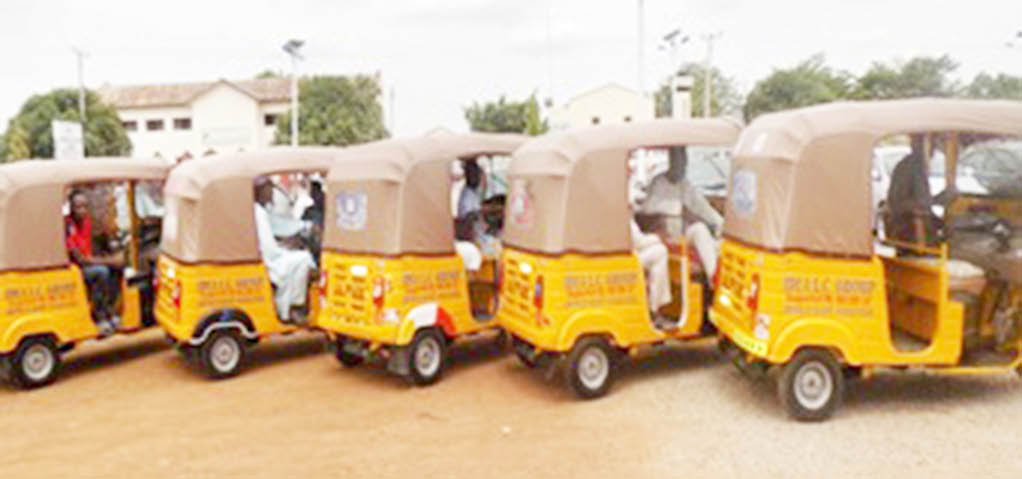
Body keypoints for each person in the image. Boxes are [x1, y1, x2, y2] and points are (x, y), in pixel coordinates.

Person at [637, 146, 723, 278]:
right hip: (666, 236)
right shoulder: (658, 182)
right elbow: (646, 211)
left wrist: (720, 224)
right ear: (671, 161)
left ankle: (714, 277)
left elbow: (703, 208)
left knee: (700, 229)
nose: (681, 164)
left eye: (683, 161)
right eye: (678, 160)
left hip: (683, 234)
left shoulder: (684, 184)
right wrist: (674, 209)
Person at [253, 178, 318, 324]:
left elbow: (279, 226)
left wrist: (303, 227)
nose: (271, 195)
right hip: (270, 259)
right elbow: (271, 246)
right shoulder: (259, 212)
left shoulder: (260, 210)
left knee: (298, 256)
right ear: (261, 192)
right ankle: (295, 305)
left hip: (269, 254)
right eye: (269, 191)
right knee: (304, 258)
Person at [66, 189, 124, 335]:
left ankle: (111, 311)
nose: (82, 210)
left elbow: (90, 249)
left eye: (85, 206)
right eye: (78, 207)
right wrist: (108, 260)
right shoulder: (68, 225)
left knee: (117, 270)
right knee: (101, 272)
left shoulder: (86, 222)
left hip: (87, 262)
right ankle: (99, 317)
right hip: (74, 268)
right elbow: (81, 259)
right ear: (71, 208)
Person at [886, 134, 939, 247]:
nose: (935, 149)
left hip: (912, 225)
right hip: (911, 230)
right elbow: (917, 202)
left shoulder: (914, 165)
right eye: (933, 144)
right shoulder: (913, 166)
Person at [631, 218, 672, 328]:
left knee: (658, 250)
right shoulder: (620, 213)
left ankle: (656, 305)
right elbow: (638, 242)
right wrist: (658, 238)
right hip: (628, 260)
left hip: (626, 255)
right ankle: (655, 309)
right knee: (660, 252)